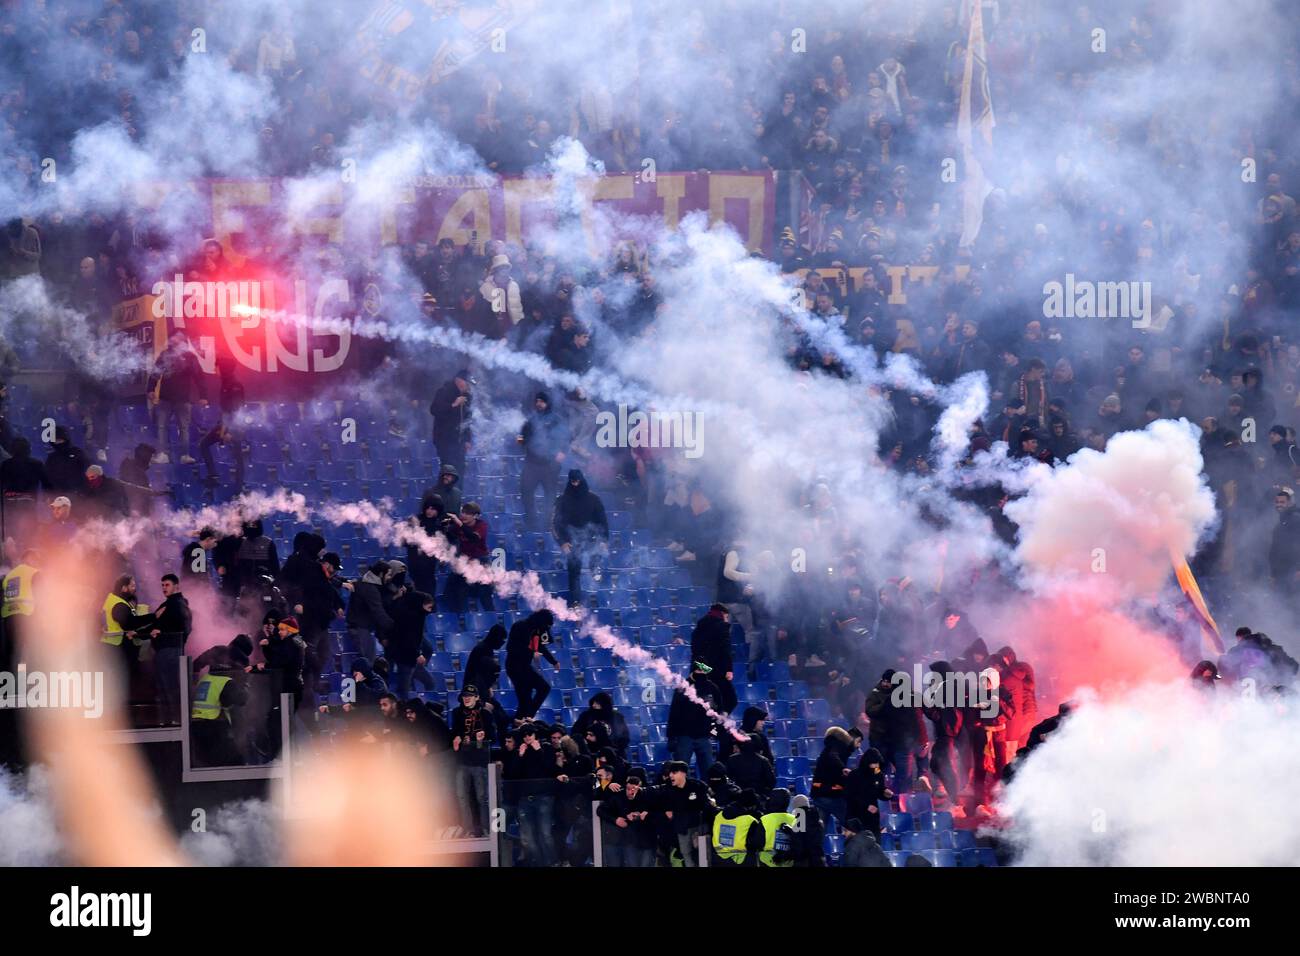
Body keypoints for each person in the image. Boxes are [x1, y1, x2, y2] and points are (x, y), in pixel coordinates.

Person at [551, 469, 609, 607]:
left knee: (595, 564)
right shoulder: (561, 501)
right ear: (569, 481)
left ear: (582, 480)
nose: (576, 484)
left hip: (591, 539)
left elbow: (603, 521)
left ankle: (599, 594)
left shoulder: (594, 499)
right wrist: (562, 542)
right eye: (573, 481)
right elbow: (554, 524)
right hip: (571, 542)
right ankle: (576, 603)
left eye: (578, 481)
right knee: (574, 571)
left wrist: (604, 540)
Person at [146, 332, 202, 464]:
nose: (176, 340)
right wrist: (150, 389)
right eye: (174, 337)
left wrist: (204, 395)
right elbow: (155, 372)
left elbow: (199, 376)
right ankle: (162, 454)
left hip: (183, 399)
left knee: (183, 428)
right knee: (161, 427)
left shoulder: (190, 357)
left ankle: (185, 455)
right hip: (165, 398)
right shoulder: (165, 355)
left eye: (179, 337)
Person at [518, 391, 569, 532]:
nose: (539, 404)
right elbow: (521, 437)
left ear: (547, 403)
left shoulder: (556, 419)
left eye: (542, 401)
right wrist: (521, 441)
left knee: (550, 495)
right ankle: (531, 523)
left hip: (549, 465)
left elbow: (566, 437)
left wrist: (563, 452)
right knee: (526, 491)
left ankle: (548, 525)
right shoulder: (530, 420)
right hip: (532, 464)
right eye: (537, 401)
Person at [451, 685, 498, 836]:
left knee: (481, 797)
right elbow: (455, 731)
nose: (467, 698)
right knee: (462, 796)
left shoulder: (485, 713)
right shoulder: (457, 712)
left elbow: (493, 736)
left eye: (470, 695)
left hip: (479, 761)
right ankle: (468, 829)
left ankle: (486, 829)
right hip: (462, 761)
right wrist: (456, 737)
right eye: (465, 695)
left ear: (477, 697)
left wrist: (484, 737)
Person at [148, 573, 192, 725]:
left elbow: (184, 628)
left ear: (176, 586)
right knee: (165, 685)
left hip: (169, 651)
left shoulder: (176, 605)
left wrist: (163, 633)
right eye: (162, 585)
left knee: (168, 686)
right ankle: (170, 719)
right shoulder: (173, 604)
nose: (164, 588)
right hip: (168, 650)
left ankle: (172, 719)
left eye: (167, 585)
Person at [596, 766, 658, 867]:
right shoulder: (619, 795)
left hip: (647, 839)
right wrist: (616, 820)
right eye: (628, 788)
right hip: (629, 840)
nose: (630, 792)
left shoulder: (650, 795)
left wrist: (645, 814)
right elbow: (601, 810)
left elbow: (658, 812)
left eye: (634, 788)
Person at [666, 661, 719, 776]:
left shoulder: (712, 688)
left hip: (704, 737)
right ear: (693, 670)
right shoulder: (683, 687)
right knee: (681, 772)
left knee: (709, 772)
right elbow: (674, 713)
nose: (702, 673)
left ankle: (707, 793)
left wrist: (714, 731)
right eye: (699, 670)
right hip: (684, 736)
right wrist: (671, 736)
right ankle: (683, 794)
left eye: (704, 670)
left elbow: (719, 712)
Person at [505, 609, 558, 721]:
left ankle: (525, 719)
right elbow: (511, 648)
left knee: (537, 692)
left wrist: (553, 661)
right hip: (514, 666)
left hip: (525, 666)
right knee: (527, 697)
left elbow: (541, 646)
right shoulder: (520, 626)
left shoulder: (538, 630)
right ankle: (525, 720)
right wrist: (531, 652)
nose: (546, 629)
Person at [662, 760, 715, 867]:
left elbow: (707, 804)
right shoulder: (667, 789)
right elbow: (665, 807)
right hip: (682, 829)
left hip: (699, 827)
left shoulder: (697, 786)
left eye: (674, 772)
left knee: (703, 857)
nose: (671, 775)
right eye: (670, 773)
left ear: (684, 773)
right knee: (686, 854)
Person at [442, 502, 494, 612]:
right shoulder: (458, 525)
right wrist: (446, 529)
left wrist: (459, 524)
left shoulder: (481, 525)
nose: (464, 515)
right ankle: (462, 619)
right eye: (463, 512)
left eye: (468, 513)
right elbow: (451, 539)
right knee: (459, 591)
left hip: (481, 562)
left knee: (485, 594)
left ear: (475, 515)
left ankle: (492, 620)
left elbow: (473, 538)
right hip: (465, 561)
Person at [690, 603, 737, 714]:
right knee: (730, 699)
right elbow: (725, 650)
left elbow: (694, 649)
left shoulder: (699, 626)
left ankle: (709, 721)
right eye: (726, 617)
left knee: (705, 697)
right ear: (723, 614)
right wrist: (728, 669)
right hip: (716, 669)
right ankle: (719, 721)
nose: (727, 620)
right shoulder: (722, 627)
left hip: (700, 667)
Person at [345, 559, 394, 660]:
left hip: (358, 627)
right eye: (388, 575)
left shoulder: (362, 582)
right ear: (381, 574)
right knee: (368, 663)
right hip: (361, 629)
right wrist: (394, 626)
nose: (389, 578)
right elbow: (378, 612)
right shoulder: (371, 590)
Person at [810, 726, 855, 827]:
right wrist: (842, 768)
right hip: (833, 794)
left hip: (818, 793)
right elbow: (833, 756)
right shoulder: (837, 746)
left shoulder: (825, 750)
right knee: (852, 825)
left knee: (820, 829)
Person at [430, 370, 473, 475]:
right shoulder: (443, 392)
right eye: (466, 382)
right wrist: (453, 404)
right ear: (458, 380)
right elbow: (434, 410)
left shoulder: (467, 396)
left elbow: (467, 420)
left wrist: (467, 439)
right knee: (448, 470)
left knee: (460, 470)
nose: (468, 386)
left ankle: (458, 491)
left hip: (459, 441)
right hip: (444, 439)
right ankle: (446, 491)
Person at [845, 746, 893, 837]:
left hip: (872, 816)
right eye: (874, 764)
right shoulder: (854, 775)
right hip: (856, 815)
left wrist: (886, 794)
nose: (876, 766)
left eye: (877, 764)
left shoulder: (878, 774)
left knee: (875, 843)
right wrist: (866, 806)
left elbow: (879, 791)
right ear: (867, 762)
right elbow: (850, 795)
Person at [711, 788, 766, 866]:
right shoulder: (750, 820)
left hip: (718, 856)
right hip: (741, 859)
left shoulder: (719, 815)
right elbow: (757, 843)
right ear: (751, 806)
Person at [570, 690, 630, 758]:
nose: (593, 705)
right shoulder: (586, 716)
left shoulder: (617, 717)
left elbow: (624, 738)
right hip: (590, 753)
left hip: (613, 753)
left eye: (597, 703)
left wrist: (613, 749)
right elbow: (575, 733)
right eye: (593, 703)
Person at [463, 623, 506, 706]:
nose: (502, 643)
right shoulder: (483, 650)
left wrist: (488, 687)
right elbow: (477, 675)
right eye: (502, 639)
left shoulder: (487, 649)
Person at [756, 789, 798, 868]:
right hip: (790, 861)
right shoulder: (795, 819)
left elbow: (758, 843)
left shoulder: (765, 819)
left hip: (766, 861)